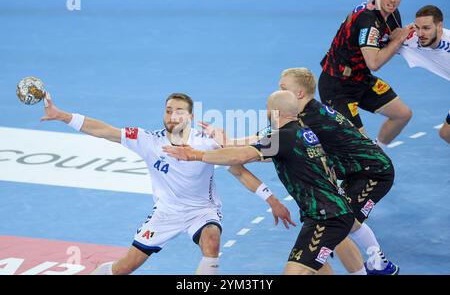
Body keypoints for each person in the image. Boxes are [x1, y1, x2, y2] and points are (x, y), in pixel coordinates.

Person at [40, 92, 294, 275]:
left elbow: (239, 171)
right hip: (165, 215)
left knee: (212, 240)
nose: (172, 116)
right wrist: (62, 116)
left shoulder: (207, 142)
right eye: (168, 110)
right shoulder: (148, 140)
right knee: (124, 268)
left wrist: (271, 200)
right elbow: (105, 130)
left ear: (191, 117)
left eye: (179, 111)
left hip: (201, 211)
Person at [164, 91, 359, 275]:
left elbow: (241, 156)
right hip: (330, 213)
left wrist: (195, 155)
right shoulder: (300, 133)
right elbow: (253, 155)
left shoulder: (282, 137)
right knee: (317, 266)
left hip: (327, 218)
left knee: (295, 271)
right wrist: (227, 142)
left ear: (275, 113)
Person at [279, 67, 399, 275]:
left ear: (299, 93)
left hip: (375, 172)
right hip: (356, 171)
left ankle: (379, 263)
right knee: (340, 222)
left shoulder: (310, 118)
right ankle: (374, 264)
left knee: (345, 220)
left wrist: (228, 142)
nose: (279, 92)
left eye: (283, 88)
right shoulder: (305, 113)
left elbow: (268, 142)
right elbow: (272, 139)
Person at [319, 0, 415, 148]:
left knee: (402, 114)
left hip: (361, 78)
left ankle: (378, 152)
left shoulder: (392, 13)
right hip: (337, 86)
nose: (393, 0)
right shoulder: (367, 20)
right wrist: (398, 41)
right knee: (359, 146)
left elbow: (395, 35)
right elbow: (374, 63)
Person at [399, 5, 449, 144]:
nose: (420, 33)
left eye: (426, 28)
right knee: (446, 134)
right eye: (417, 27)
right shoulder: (413, 39)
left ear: (439, 27)